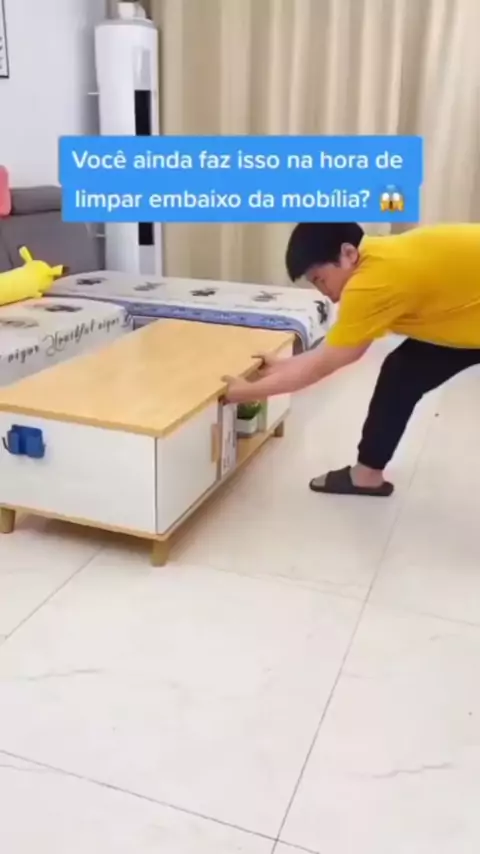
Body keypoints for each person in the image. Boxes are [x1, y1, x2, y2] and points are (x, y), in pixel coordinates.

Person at [223, 222, 480, 497]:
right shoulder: (377, 253)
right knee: (403, 371)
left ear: (348, 253)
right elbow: (330, 351)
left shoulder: (370, 284)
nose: (322, 291)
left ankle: (366, 475)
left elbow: (323, 365)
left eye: (320, 279)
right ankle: (366, 474)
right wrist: (284, 365)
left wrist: (244, 392)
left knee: (404, 371)